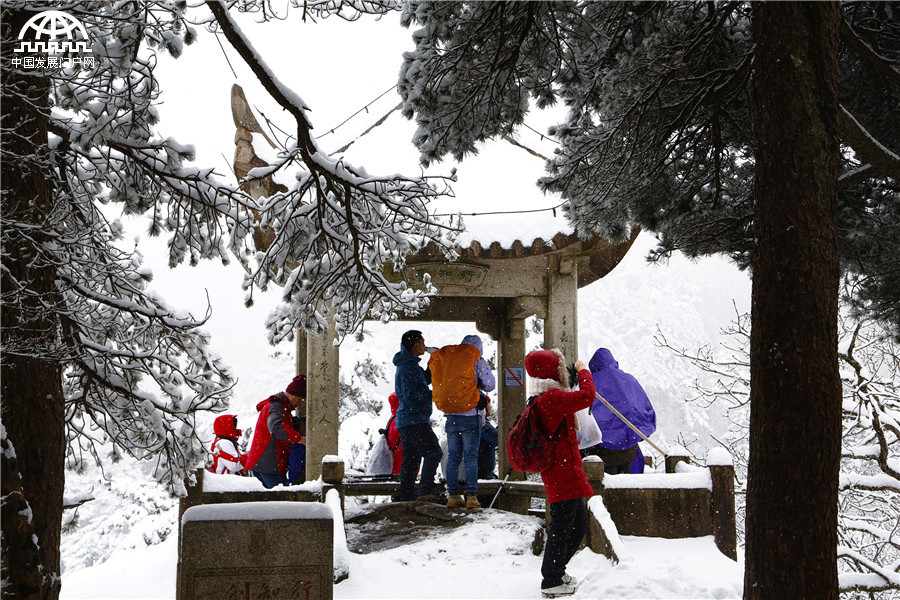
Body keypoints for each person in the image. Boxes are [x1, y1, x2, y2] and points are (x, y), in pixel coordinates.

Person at [525, 348, 596, 598]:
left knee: (575, 523)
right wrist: (583, 371)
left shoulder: (542, 397)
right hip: (562, 471)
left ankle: (556, 572)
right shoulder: (551, 399)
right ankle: (552, 579)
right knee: (565, 526)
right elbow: (587, 396)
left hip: (564, 469)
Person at [429, 334, 495, 509]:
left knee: (453, 457)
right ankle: (472, 497)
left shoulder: (451, 360)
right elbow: (490, 384)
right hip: (470, 416)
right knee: (471, 457)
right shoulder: (476, 359)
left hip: (451, 416)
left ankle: (453, 496)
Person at [581, 348, 657, 474]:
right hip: (628, 450)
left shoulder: (590, 383)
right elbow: (643, 408)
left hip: (600, 450)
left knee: (604, 486)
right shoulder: (629, 380)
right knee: (627, 484)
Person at [393, 330, 444, 503]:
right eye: (422, 343)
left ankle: (406, 495)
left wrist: (433, 361)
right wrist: (433, 395)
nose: (424, 346)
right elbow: (411, 395)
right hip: (414, 419)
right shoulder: (407, 368)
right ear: (415, 345)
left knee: (411, 459)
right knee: (433, 452)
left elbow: (425, 379)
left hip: (408, 420)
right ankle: (426, 490)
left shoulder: (410, 365)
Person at [244, 374, 307, 489]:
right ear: (293, 395)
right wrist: (298, 439)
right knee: (280, 501)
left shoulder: (279, 406)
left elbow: (282, 423)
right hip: (269, 464)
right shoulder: (277, 406)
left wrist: (298, 423)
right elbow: (276, 427)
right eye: (300, 399)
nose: (301, 403)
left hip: (262, 463)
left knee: (270, 502)